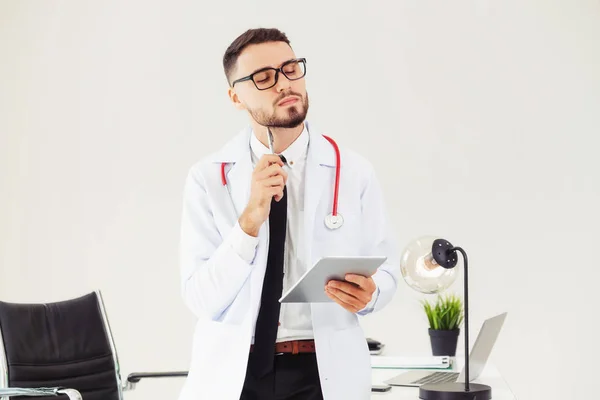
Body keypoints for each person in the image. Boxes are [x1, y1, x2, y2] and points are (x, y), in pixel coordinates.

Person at [177, 27, 399, 400]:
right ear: (235, 97)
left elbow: (387, 272)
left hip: (321, 373)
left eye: (291, 68)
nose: (283, 84)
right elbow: (201, 299)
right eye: (263, 78)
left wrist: (372, 294)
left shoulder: (354, 171)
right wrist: (249, 220)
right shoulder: (207, 178)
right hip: (236, 374)